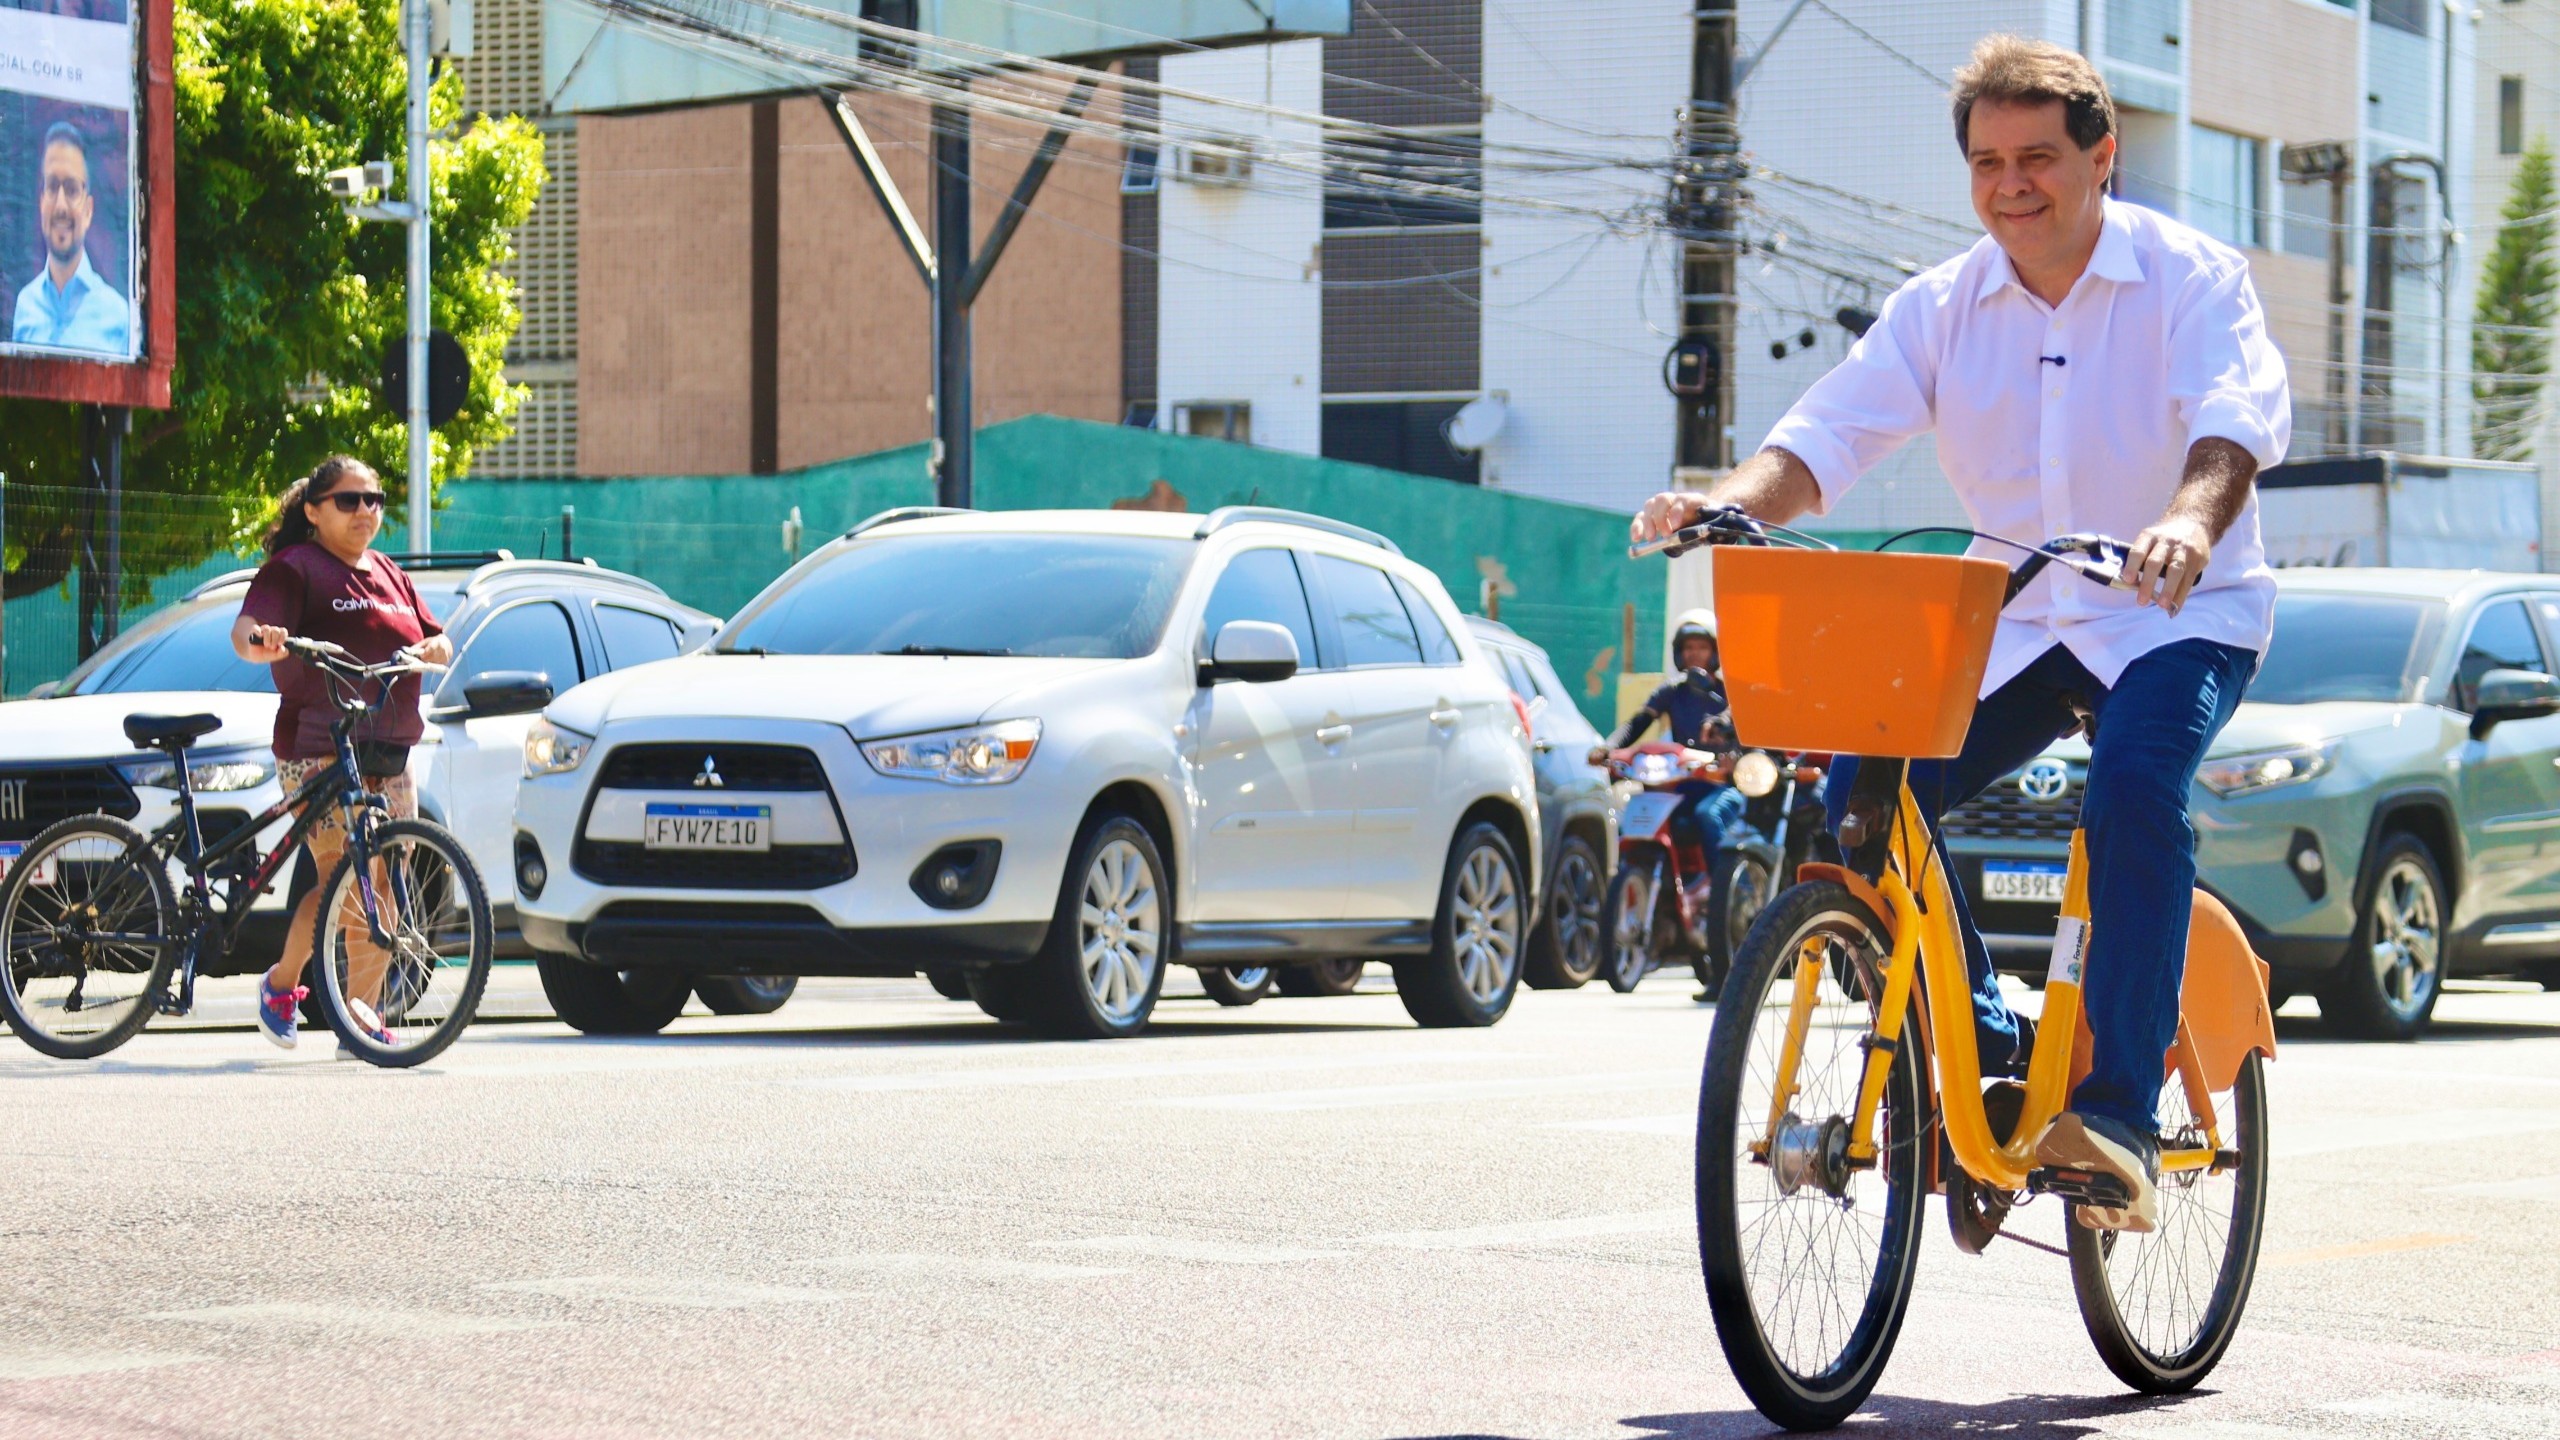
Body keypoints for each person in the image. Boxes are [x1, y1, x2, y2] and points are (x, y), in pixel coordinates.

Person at [1630, 35, 2284, 1232]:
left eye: (2038, 156)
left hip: (2176, 612)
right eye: (1987, 162)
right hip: (2018, 616)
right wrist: (1729, 501)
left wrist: (2188, 529)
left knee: (2132, 789)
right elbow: (1825, 435)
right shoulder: (1942, 305)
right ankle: (1985, 1046)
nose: (2010, 185)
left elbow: (2230, 427)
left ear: (2102, 157)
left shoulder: (2193, 278)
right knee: (1867, 798)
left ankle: (2120, 1119)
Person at [230, 458, 452, 1049]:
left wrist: (435, 647)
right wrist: (264, 643)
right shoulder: (294, 568)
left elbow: (439, 636)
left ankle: (359, 1013)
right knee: (350, 880)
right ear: (313, 510)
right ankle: (303, 991)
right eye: (349, 501)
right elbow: (248, 630)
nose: (365, 511)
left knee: (383, 880)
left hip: (388, 747)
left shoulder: (389, 572)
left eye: (374, 500)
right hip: (318, 746)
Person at [1591, 611, 1749, 907]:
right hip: (1680, 783)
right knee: (1638, 815)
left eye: (1702, 647)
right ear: (1679, 653)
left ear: (1715, 652)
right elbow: (1637, 722)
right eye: (1688, 648)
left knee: (1708, 816)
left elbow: (1735, 725)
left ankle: (1721, 899)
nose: (1694, 654)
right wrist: (1608, 747)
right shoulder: (1671, 691)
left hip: (1719, 786)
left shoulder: (1728, 693)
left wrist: (1724, 735)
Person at [12, 122, 131, 355]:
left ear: (88, 210)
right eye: (52, 186)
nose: (60, 205)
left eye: (72, 189)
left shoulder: (117, 316)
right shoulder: (24, 306)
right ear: (41, 201)